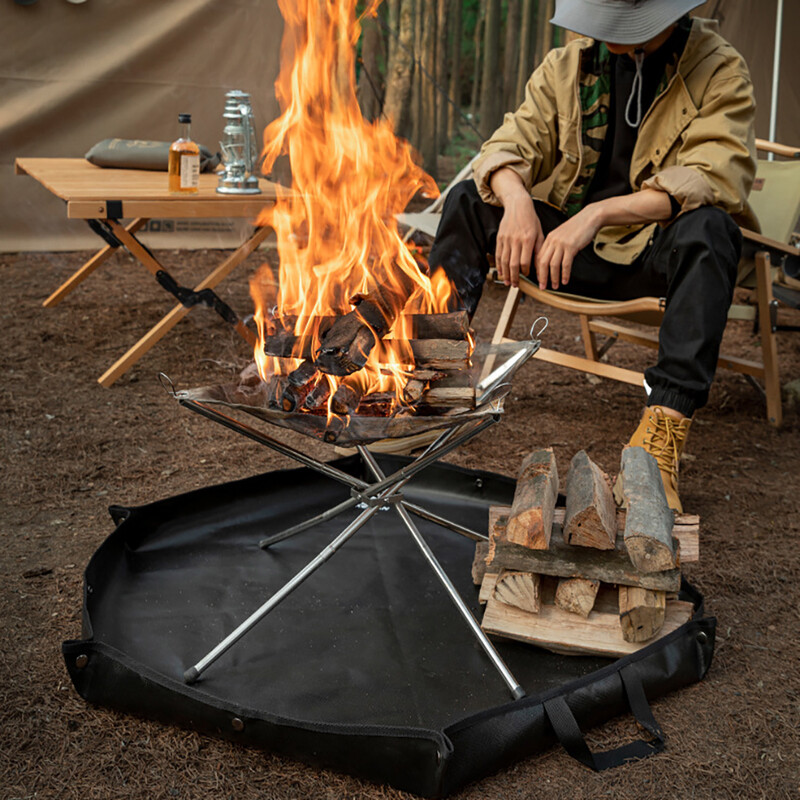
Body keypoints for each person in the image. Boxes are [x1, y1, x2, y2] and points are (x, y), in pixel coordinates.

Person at [428, 0, 758, 512]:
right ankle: (428, 374)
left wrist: (597, 215)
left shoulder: (718, 67)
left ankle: (661, 435)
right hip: (566, 256)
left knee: (712, 230)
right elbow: (508, 143)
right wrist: (517, 201)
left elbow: (715, 174)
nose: (607, 34)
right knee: (471, 199)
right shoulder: (568, 65)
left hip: (652, 256)